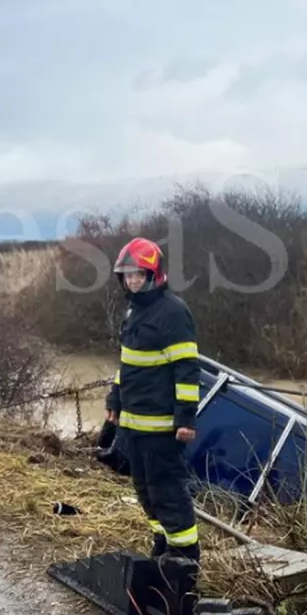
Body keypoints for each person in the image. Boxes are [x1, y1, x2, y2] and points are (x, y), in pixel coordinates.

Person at [104, 237, 202, 568]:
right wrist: (115, 398)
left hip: (161, 427)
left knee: (168, 492)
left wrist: (185, 418)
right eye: (127, 275)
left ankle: (185, 559)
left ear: (153, 275)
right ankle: (162, 548)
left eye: (138, 275)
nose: (132, 281)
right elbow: (128, 363)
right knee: (145, 491)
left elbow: (187, 369)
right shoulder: (134, 311)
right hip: (134, 425)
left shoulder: (173, 312)